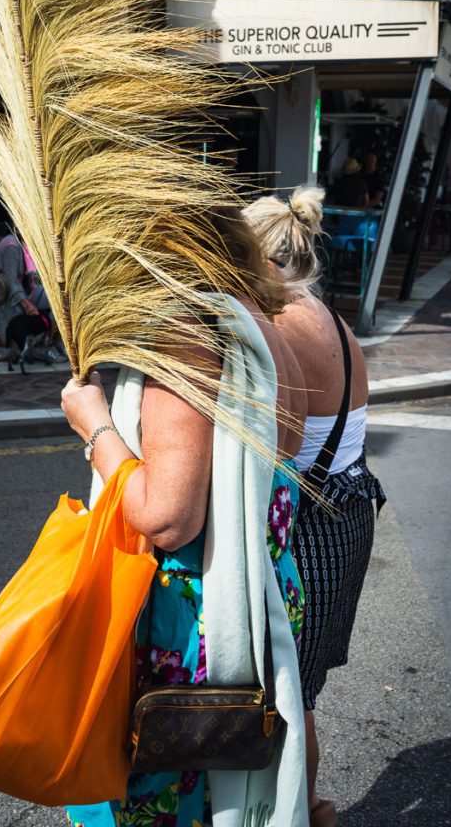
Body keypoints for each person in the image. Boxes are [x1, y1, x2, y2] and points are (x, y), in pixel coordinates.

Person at [60, 209, 308, 827]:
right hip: (259, 590)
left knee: (171, 796)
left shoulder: (183, 333)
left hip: (192, 626)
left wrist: (95, 428)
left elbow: (168, 518)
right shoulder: (262, 325)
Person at [245, 188, 386, 827]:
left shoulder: (275, 329)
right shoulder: (334, 320)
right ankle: (308, 807)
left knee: (283, 693)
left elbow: (271, 452)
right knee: (298, 691)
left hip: (306, 524)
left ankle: (301, 811)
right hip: (349, 515)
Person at [0, 232, 62, 359]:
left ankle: (50, 342)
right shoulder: (11, 246)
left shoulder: (28, 244)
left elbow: (35, 276)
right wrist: (26, 304)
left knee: (61, 299)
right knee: (54, 300)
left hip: (28, 289)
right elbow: (11, 280)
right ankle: (43, 347)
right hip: (9, 295)